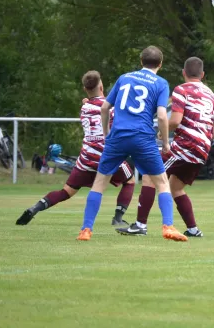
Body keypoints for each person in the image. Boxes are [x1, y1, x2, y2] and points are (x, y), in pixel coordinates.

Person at [76, 46, 187, 242]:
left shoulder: (124, 78)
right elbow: (162, 115)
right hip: (143, 137)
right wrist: (165, 141)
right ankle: (168, 226)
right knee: (161, 182)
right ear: (160, 64)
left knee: (99, 183)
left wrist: (107, 133)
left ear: (141, 61)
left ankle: (86, 230)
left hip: (118, 136)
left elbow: (104, 107)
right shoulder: (160, 83)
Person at [117, 57, 214, 238]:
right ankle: (193, 229)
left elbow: (175, 120)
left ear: (183, 72)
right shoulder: (212, 95)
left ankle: (140, 225)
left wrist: (161, 133)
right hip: (203, 150)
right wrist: (203, 140)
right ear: (203, 75)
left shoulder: (181, 90)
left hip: (185, 146)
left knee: (150, 177)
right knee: (175, 187)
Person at [16, 71, 135, 226]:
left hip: (86, 159)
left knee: (66, 192)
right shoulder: (112, 108)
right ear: (101, 86)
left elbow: (93, 105)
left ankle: (35, 208)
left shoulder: (84, 108)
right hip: (107, 156)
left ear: (85, 89)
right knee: (130, 181)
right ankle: (118, 219)